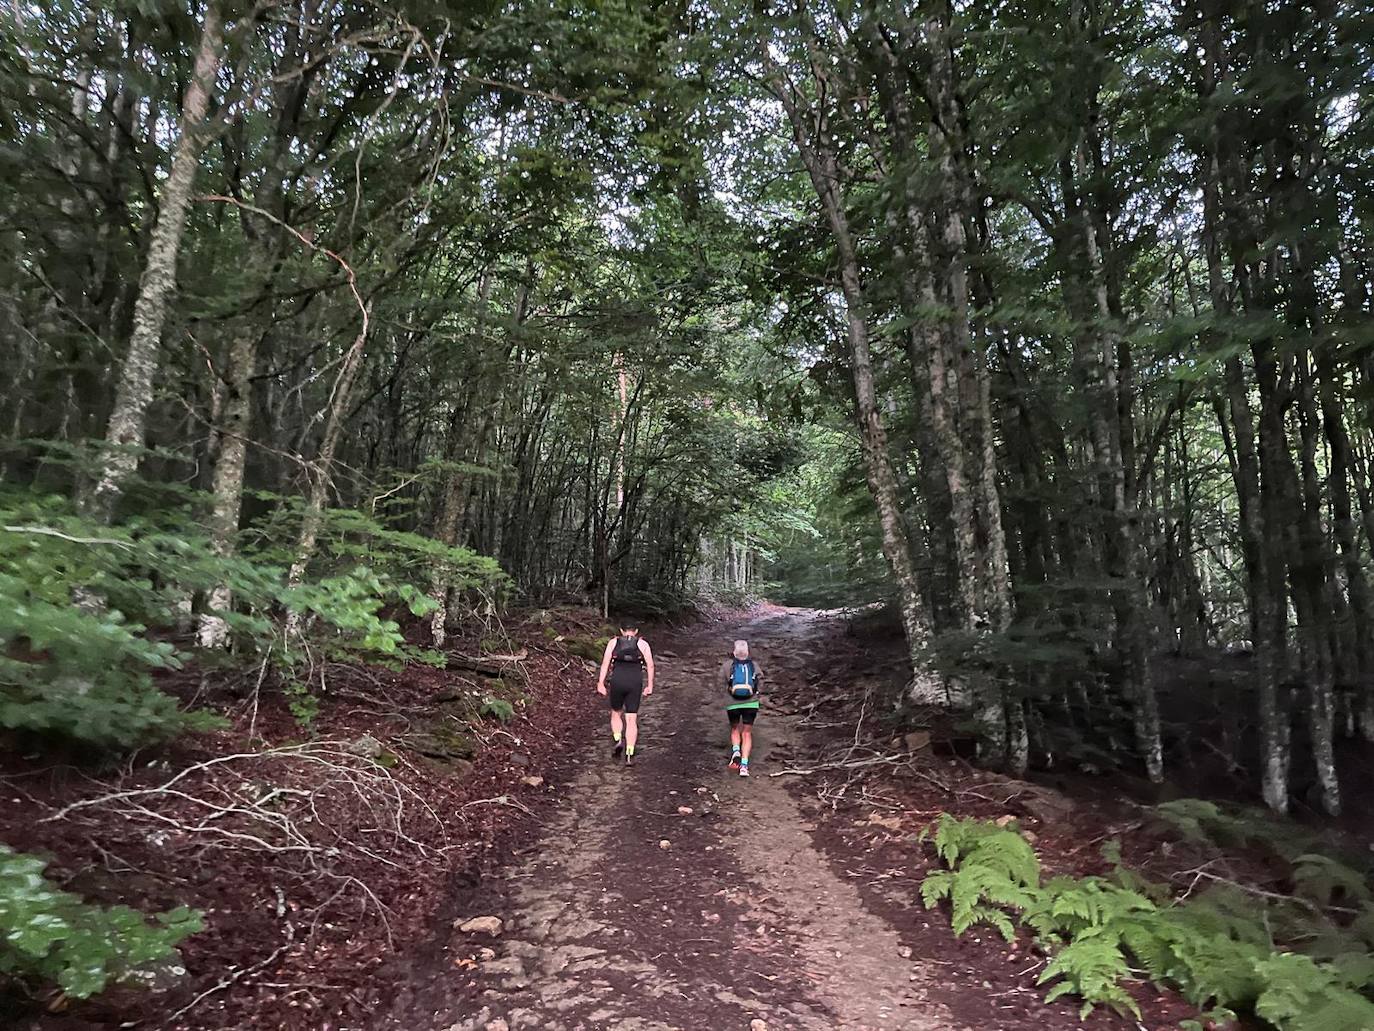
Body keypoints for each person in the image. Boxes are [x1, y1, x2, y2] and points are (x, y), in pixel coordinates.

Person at [596, 623, 654, 767]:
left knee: (616, 712)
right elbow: (650, 665)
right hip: (635, 682)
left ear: (621, 630)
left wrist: (600, 683)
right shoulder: (643, 644)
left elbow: (605, 663)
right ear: (636, 631)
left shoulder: (613, 643)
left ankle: (618, 739)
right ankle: (629, 753)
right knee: (631, 718)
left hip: (617, 680)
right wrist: (650, 685)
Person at [721, 640, 762, 777]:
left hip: (733, 703)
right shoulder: (754, 665)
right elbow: (760, 682)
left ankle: (736, 751)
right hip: (751, 703)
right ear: (748, 653)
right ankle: (744, 765)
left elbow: (721, 683)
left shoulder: (727, 666)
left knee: (734, 729)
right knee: (746, 733)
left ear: (734, 653)